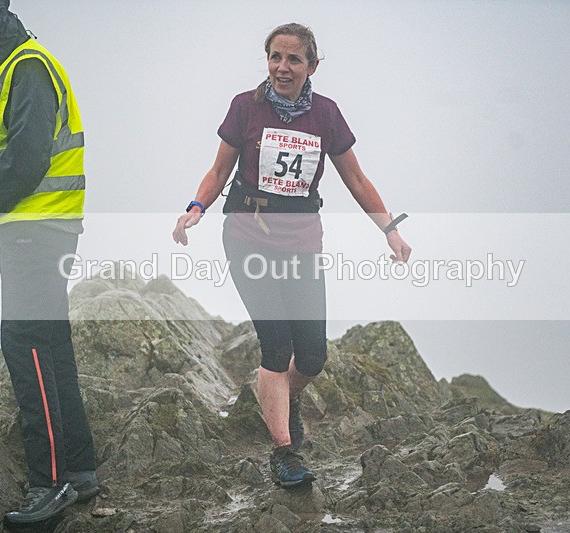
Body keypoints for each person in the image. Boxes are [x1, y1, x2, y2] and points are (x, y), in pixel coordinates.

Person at [172, 23, 412, 488]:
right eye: (275, 58)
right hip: (247, 235)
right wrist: (196, 208)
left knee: (314, 355)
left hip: (302, 243)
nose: (282, 68)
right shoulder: (246, 106)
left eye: (293, 59)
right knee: (277, 348)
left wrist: (390, 230)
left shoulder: (326, 115)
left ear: (312, 66)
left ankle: (284, 397)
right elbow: (219, 169)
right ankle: (284, 452)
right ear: (267, 61)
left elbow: (357, 181)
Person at [0, 0, 98, 524]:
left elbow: (28, 160)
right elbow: (16, 156)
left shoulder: (25, 66)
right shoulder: (11, 65)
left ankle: (47, 483)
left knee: (24, 346)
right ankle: (78, 472)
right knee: (50, 347)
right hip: (42, 228)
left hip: (35, 230)